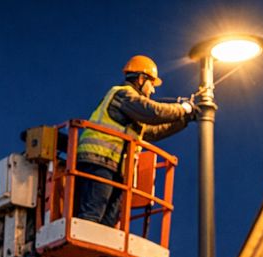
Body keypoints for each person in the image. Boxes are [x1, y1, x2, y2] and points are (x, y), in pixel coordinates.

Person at [75, 55, 197, 228]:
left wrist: (184, 120)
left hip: (116, 167)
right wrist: (183, 108)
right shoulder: (123, 94)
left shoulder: (133, 110)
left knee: (109, 221)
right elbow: (154, 112)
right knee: (93, 214)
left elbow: (152, 132)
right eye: (152, 84)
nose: (153, 91)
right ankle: (84, 247)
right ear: (141, 79)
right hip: (99, 161)